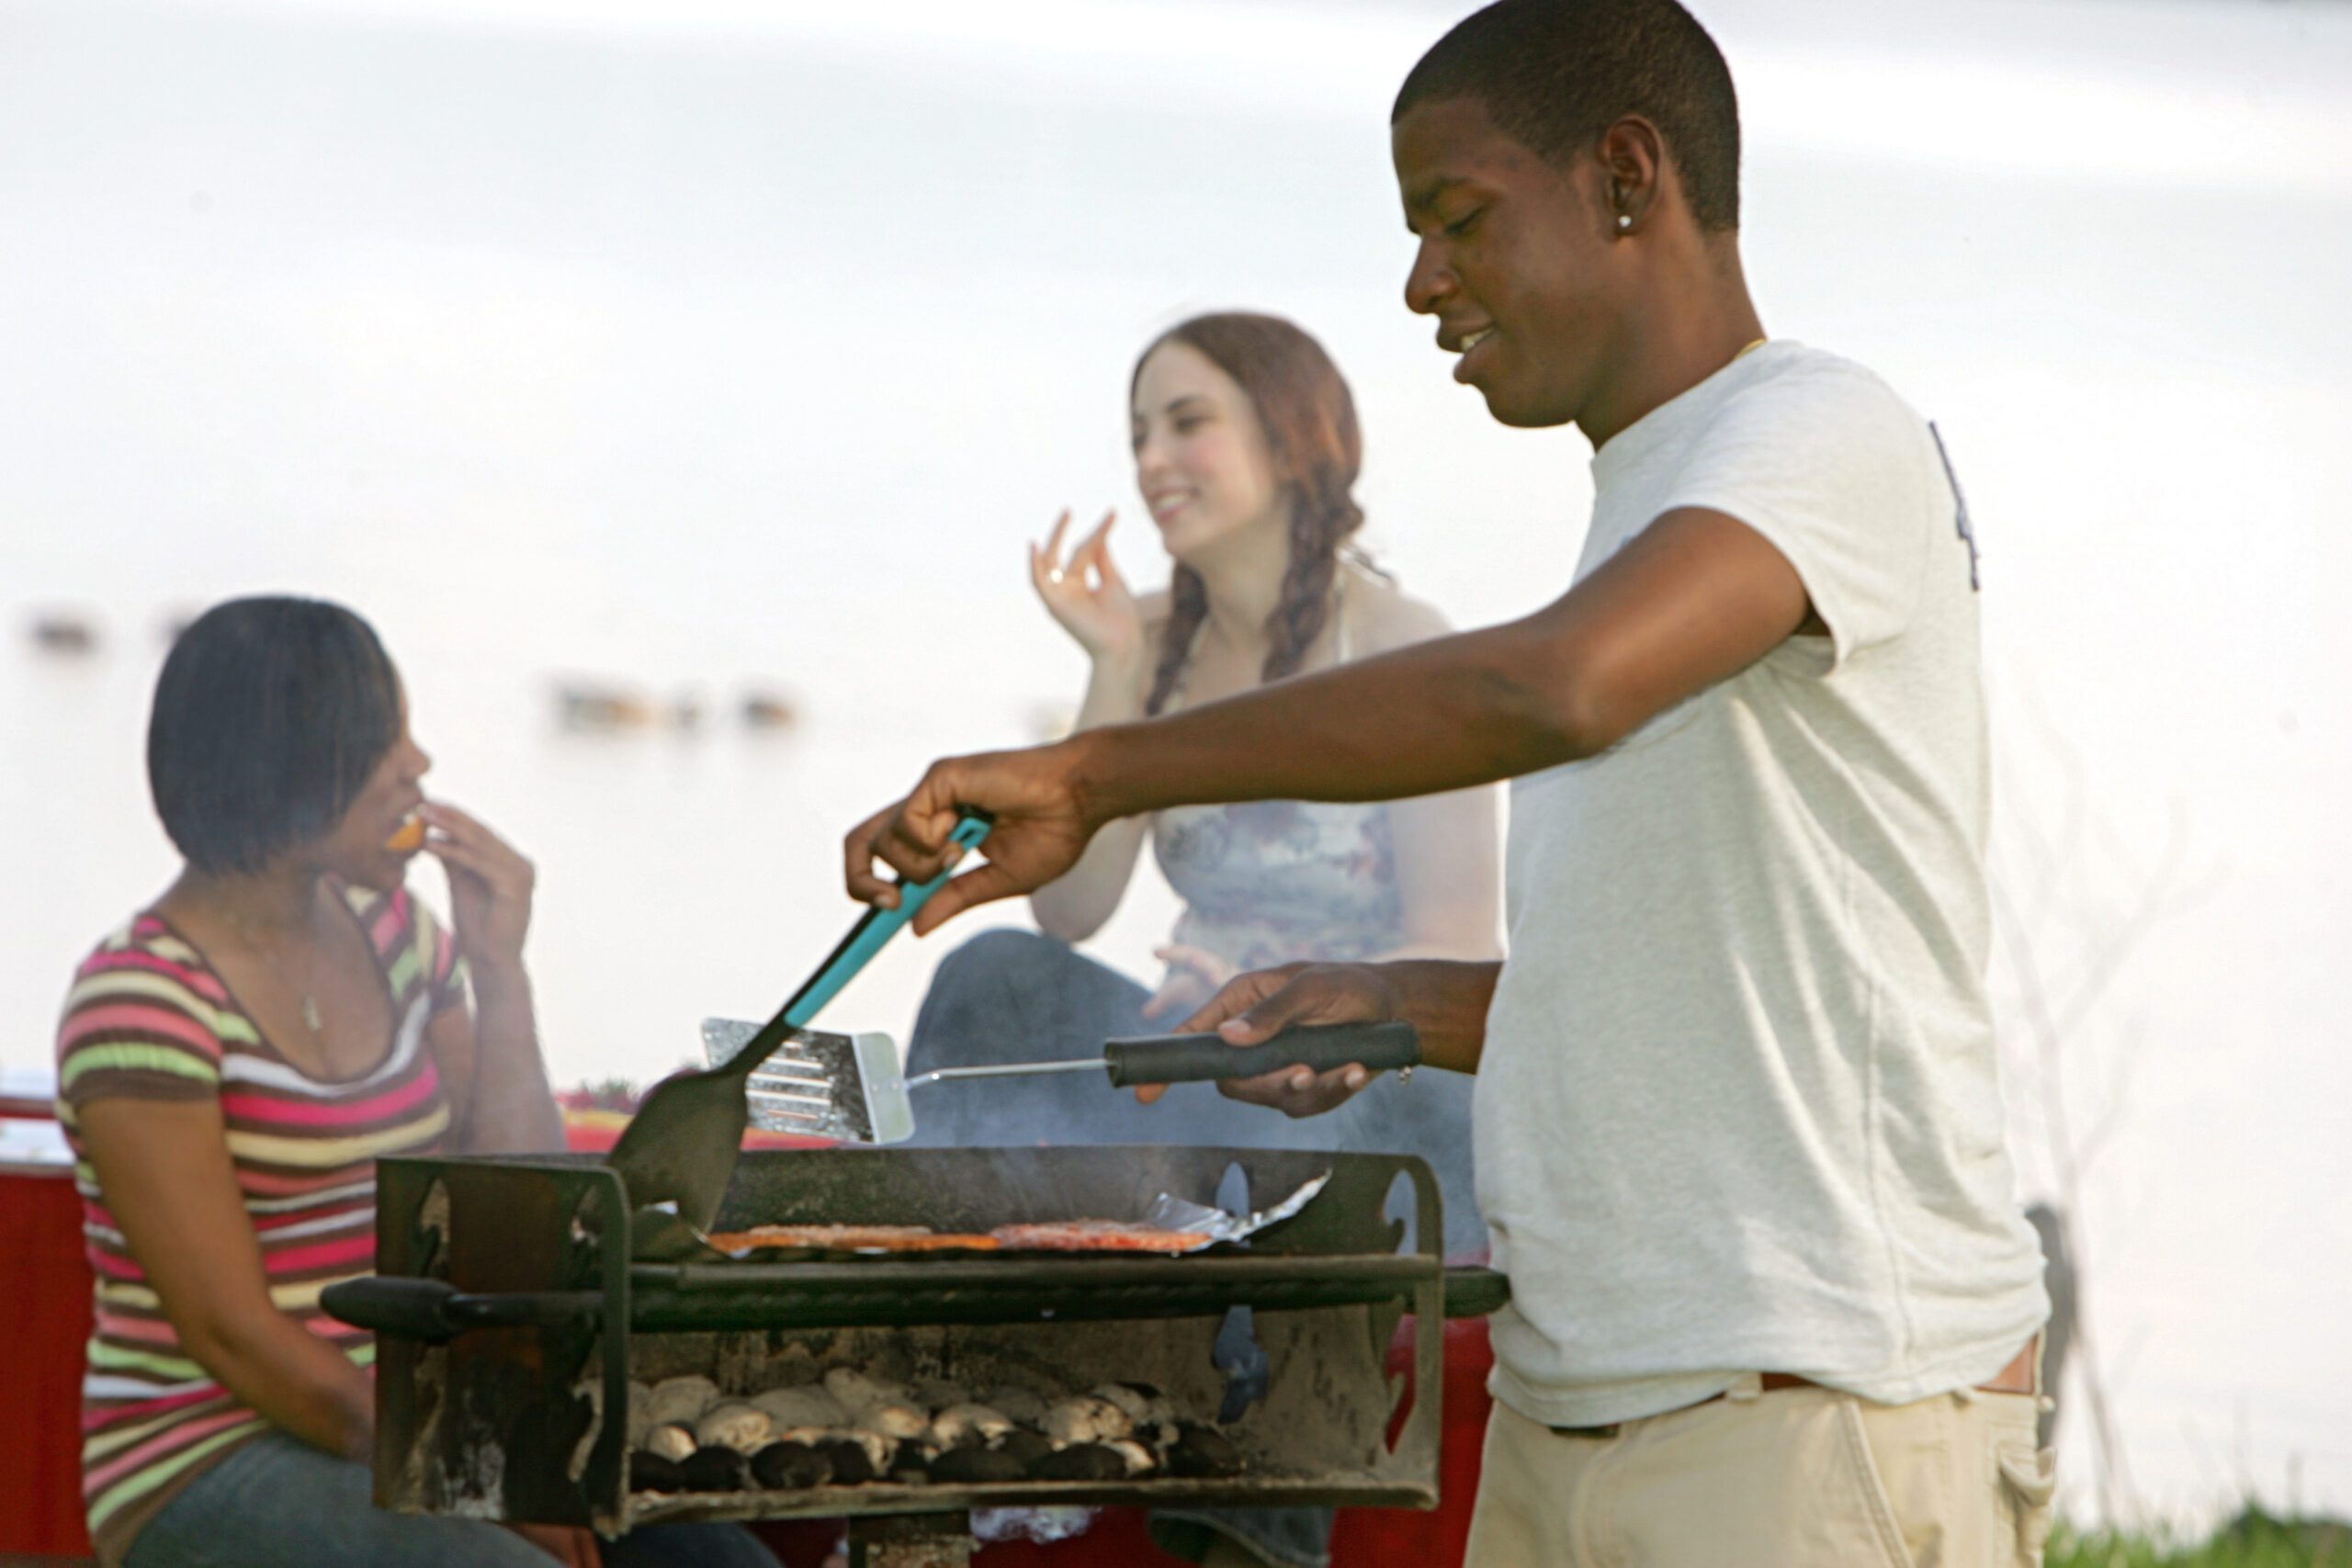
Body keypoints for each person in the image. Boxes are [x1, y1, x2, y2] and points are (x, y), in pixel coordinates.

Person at [843, 3, 2056, 1564]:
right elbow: (1691, 976)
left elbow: (1545, 684)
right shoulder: (1653, 502)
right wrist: (1396, 1003)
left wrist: (1096, 769)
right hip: (1584, 1407)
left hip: (1813, 1415)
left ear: (1629, 176)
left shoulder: (1818, 433)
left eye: (1459, 220)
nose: (1420, 284)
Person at [902, 312, 1498, 1568]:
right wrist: (1115, 662)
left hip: (1363, 1075)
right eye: (1136, 433)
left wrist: (1287, 1014)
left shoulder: (1398, 644)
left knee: (1312, 1114)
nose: (1152, 459)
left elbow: (1456, 939)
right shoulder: (1158, 635)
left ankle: (1248, 1519)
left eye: (1187, 421)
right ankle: (956, 1362)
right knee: (992, 975)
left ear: (1292, 436)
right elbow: (1071, 912)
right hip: (1193, 1053)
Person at [53, 598, 777, 1568]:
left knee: (718, 1562)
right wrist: (471, 1473)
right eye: (383, 742)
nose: (420, 767)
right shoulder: (142, 1003)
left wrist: (498, 969)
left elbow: (517, 1205)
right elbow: (232, 1336)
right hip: (210, 1454)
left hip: (412, 1416)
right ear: (288, 773)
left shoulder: (394, 936)